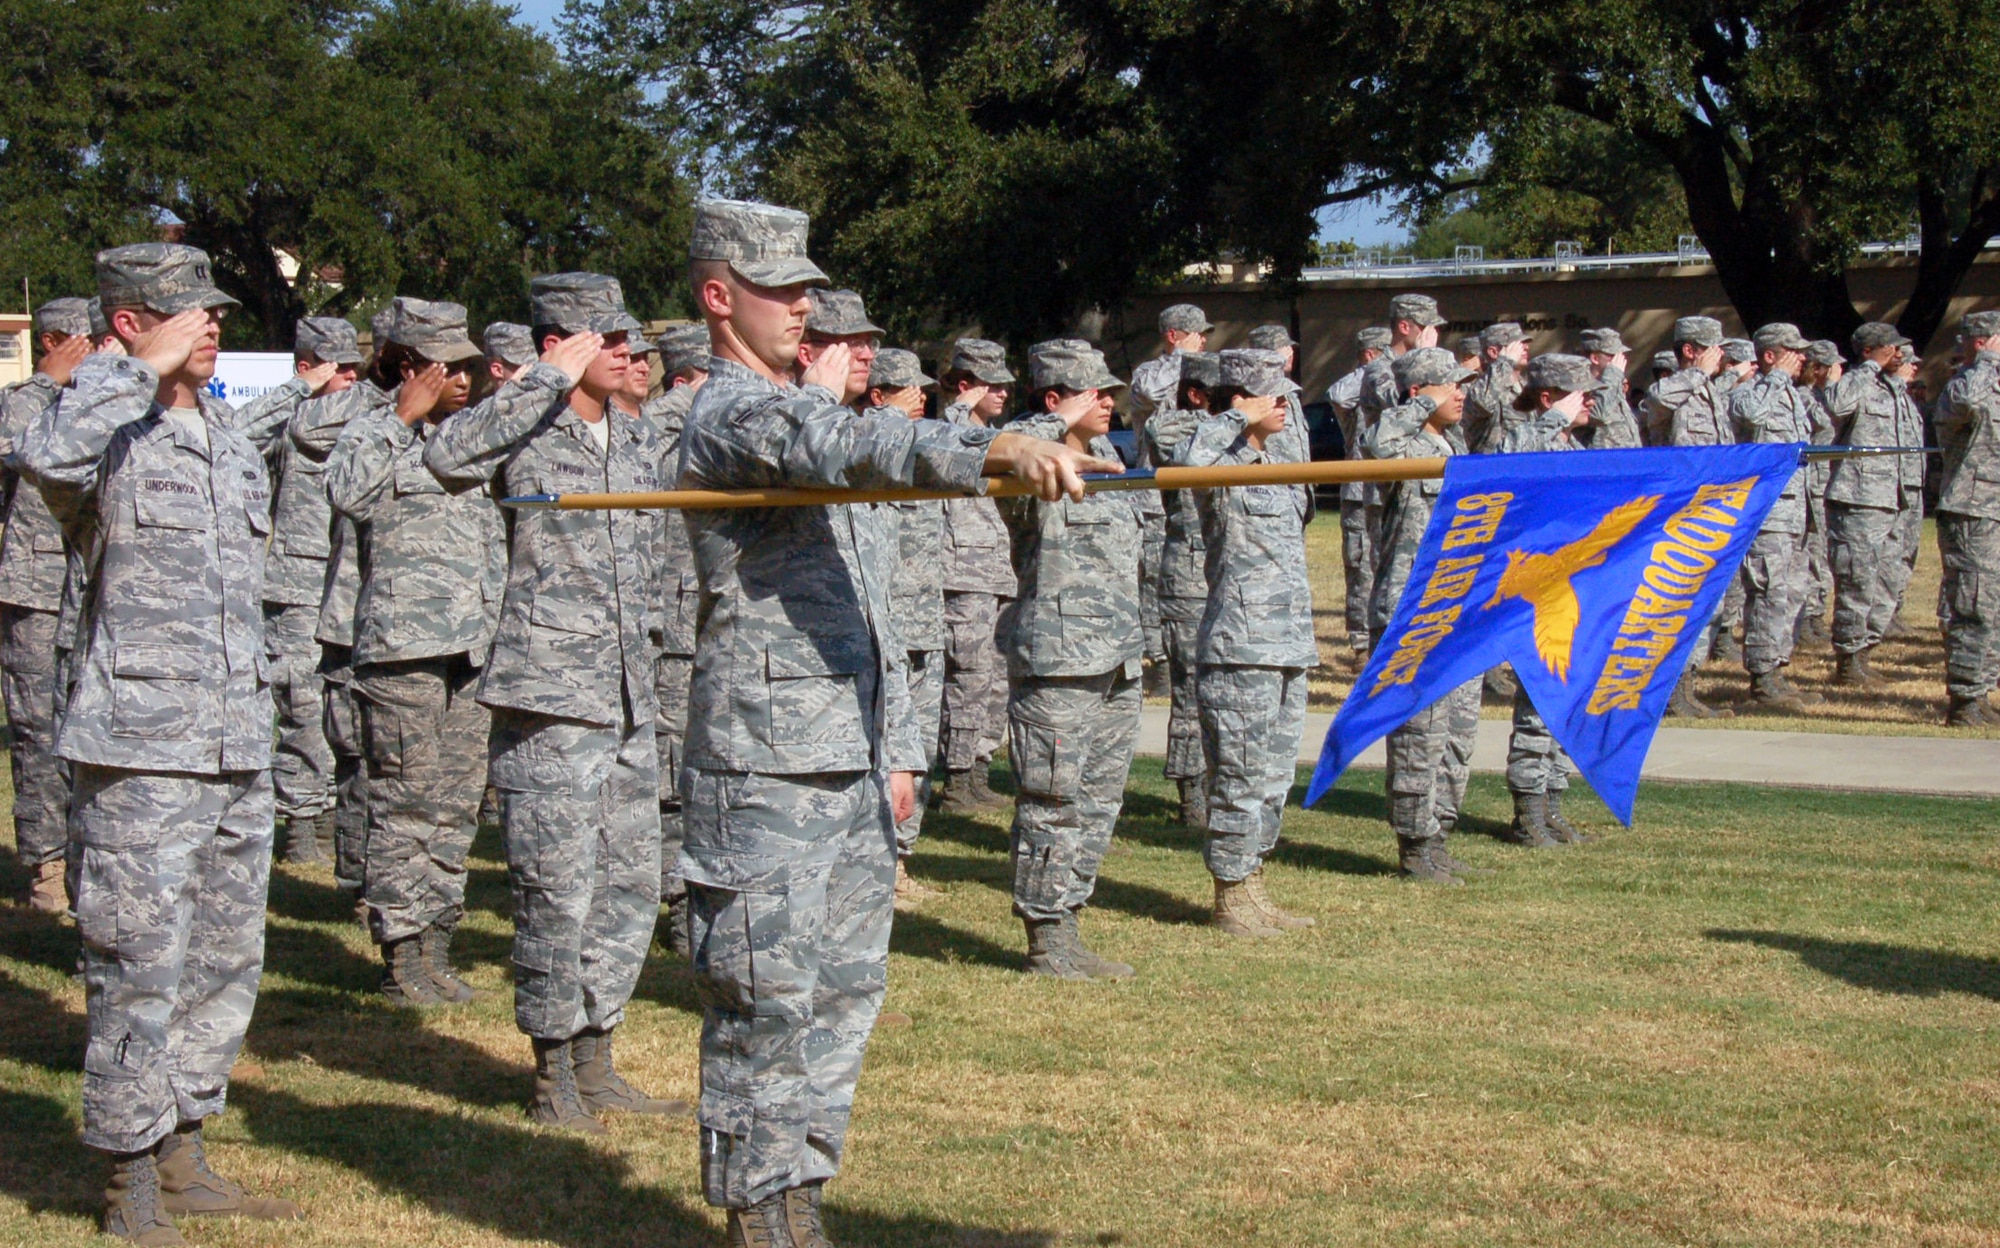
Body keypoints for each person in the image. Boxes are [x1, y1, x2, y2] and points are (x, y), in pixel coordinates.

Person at [674, 199, 1112, 1244]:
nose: (801, 306)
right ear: (717, 294)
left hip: (853, 755)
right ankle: (753, 1214)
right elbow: (832, 439)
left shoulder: (820, 428)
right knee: (763, 998)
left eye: (805, 288)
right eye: (779, 289)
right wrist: (986, 448)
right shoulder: (734, 414)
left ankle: (800, 1201)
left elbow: (883, 618)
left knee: (840, 998)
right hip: (766, 765)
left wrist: (901, 747)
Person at [20, 243, 303, 1241]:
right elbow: (46, 463)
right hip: (139, 746)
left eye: (217, 312)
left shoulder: (227, 436)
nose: (212, 326)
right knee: (136, 964)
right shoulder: (101, 426)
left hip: (233, 739)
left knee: (223, 963)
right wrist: (130, 369)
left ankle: (185, 1148)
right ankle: (127, 1180)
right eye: (187, 314)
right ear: (130, 324)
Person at [425, 273, 684, 1131]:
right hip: (549, 696)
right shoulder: (523, 430)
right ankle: (550, 1072)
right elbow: (446, 454)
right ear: (556, 346)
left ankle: (596, 1049)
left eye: (630, 338)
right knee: (554, 890)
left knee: (627, 885)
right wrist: (539, 382)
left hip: (629, 693)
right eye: (604, 339)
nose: (628, 352)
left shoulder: (641, 441)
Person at [328, 298, 504, 1006]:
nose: (460, 378)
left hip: (470, 647)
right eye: (444, 365)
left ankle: (437, 944)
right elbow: (348, 493)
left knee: (455, 804)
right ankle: (401, 957)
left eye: (466, 365)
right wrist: (403, 415)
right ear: (405, 365)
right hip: (402, 652)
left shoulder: (469, 439)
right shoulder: (372, 430)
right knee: (405, 802)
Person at [1001, 340, 1143, 978]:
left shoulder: (1110, 456)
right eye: (1094, 392)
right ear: (1055, 401)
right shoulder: (1030, 460)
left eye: (1111, 392)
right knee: (1051, 800)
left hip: (1117, 657)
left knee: (1099, 799)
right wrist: (1053, 424)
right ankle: (1045, 933)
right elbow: (1009, 439)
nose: (1109, 402)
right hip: (1059, 660)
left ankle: (1070, 916)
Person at [1177, 348, 1318, 934]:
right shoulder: (1220, 464)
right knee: (1237, 779)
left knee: (1273, 780)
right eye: (1272, 395)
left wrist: (1263, 422)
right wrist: (1236, 417)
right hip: (1241, 647)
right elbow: (1191, 461)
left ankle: (1254, 882)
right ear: (1240, 401)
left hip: (1289, 645)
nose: (1285, 405)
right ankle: (1230, 895)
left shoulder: (1277, 460)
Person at [294, 310, 399, 911]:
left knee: (395, 763)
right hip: (350, 612)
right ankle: (358, 875)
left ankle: (386, 880)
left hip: (405, 618)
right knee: (357, 754)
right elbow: (306, 429)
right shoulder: (358, 414)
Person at [1366, 347, 1482, 884]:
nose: (1461, 393)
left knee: (1456, 733)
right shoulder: (1402, 441)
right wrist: (1416, 406)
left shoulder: (1451, 441)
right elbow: (1378, 446)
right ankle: (1413, 846)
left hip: (1461, 606)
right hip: (1413, 610)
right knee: (1420, 733)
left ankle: (1438, 834)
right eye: (1450, 385)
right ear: (1418, 394)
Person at [261, 317, 363, 866]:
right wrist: (297, 392)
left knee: (345, 707)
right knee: (300, 704)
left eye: (354, 367)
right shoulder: (287, 426)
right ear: (307, 368)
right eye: (337, 368)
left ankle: (337, 815)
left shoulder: (367, 422)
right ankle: (303, 819)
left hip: (348, 584)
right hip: (297, 583)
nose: (350, 378)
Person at [0, 298, 92, 912]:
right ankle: (45, 867)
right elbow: (15, 448)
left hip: (89, 586)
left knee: (89, 732)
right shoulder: (21, 404)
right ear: (54, 340)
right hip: (32, 591)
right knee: (38, 733)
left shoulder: (103, 403)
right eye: (83, 343)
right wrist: (46, 380)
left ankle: (91, 864)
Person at [1493, 355, 1603, 845]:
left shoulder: (1573, 443)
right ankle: (1528, 814)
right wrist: (1555, 420)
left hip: (1574, 587)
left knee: (1566, 701)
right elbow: (1512, 463)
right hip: (1538, 593)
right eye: (1581, 392)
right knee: (1539, 701)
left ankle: (1553, 803)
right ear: (1547, 398)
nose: (1592, 400)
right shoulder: (1519, 435)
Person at [869, 348, 949, 906]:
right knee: (884, 753)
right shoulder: (870, 448)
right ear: (877, 398)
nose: (920, 396)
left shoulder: (927, 445)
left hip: (927, 623)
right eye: (905, 388)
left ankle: (900, 860)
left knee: (916, 754)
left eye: (923, 387)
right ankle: (875, 864)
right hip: (888, 628)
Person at [641, 323, 710, 955]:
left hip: (710, 623)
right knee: (672, 774)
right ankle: (678, 904)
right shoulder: (665, 422)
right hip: (673, 628)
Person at [936, 338, 1019, 813]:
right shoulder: (947, 433)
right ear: (965, 387)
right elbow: (940, 445)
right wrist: (955, 412)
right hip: (962, 575)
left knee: (994, 679)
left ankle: (980, 769)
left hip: (996, 574)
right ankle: (957, 779)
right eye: (993, 384)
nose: (1003, 393)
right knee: (967, 677)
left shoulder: (996, 435)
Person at [1822, 324, 1924, 689]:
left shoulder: (1891, 391)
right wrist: (1869, 368)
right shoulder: (1858, 381)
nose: (1897, 355)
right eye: (1890, 349)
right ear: (1869, 350)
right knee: (1857, 581)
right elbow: (1835, 404)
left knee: (1887, 580)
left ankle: (1865, 651)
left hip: (1894, 499)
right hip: (1859, 499)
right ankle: (1848, 661)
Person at [1143, 351, 1219, 830]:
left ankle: (1220, 784)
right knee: (1191, 689)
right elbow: (1175, 442)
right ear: (1196, 395)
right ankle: (1192, 794)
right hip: (1188, 578)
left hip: (1224, 570)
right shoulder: (1169, 427)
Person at [1729, 323, 1821, 712]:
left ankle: (1777, 670)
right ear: (1769, 356)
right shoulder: (1750, 391)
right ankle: (1763, 680)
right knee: (1768, 593)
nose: (1801, 357)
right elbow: (1749, 414)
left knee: (1790, 593)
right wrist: (1777, 377)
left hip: (1796, 511)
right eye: (1792, 351)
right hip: (1768, 513)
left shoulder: (1792, 396)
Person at [1129, 308, 1208, 697]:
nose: (1204, 340)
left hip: (1194, 496)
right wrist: (1182, 359)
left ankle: (1188, 655)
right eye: (1197, 334)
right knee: (1156, 582)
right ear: (1174, 336)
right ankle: (1158, 661)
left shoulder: (1202, 372)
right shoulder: (1149, 372)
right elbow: (1148, 395)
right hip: (1154, 497)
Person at [1936, 311, 2000, 724]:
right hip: (1970, 510)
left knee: (1993, 605)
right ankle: (1965, 699)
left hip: (1995, 509)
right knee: (1973, 604)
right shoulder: (1965, 383)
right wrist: (1987, 362)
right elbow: (1964, 404)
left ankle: (1984, 690)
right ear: (1983, 342)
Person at [1328, 326, 1392, 653]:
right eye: (1386, 351)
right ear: (1370, 354)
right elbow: (1339, 395)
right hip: (1359, 492)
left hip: (1391, 490)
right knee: (1362, 570)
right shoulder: (1359, 387)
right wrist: (1372, 370)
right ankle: (1362, 644)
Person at [797, 287, 880, 405]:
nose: (868, 355)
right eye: (854, 344)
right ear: (806, 355)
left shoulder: (853, 421)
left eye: (869, 343)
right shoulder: (780, 414)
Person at [1462, 320, 1529, 453]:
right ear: (1493, 352)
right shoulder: (1480, 388)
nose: (1526, 347)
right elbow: (1484, 403)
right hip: (1492, 468)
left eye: (1525, 343)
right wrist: (1504, 362)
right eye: (1517, 345)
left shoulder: (1526, 386)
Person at [1578, 327, 1643, 449]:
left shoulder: (1613, 384)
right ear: (1595, 358)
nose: (1620, 361)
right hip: (1602, 463)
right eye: (1613, 356)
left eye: (1621, 355)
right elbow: (1599, 414)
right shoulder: (1581, 390)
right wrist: (1612, 374)